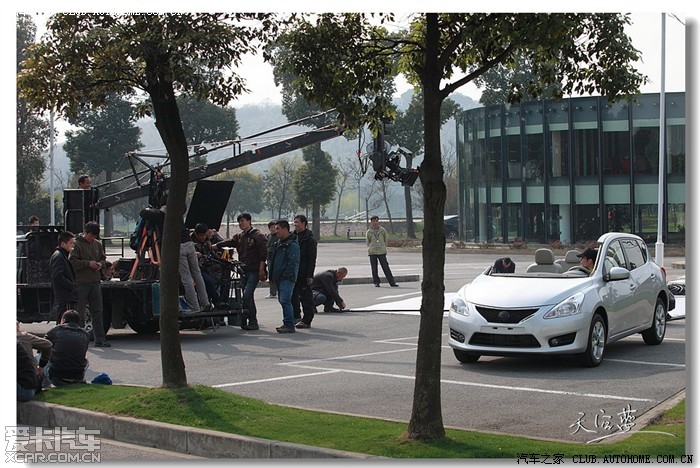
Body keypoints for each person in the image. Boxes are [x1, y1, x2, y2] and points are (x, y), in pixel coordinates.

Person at [213, 213, 268, 330]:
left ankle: (246, 318)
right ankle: (252, 321)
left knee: (247, 295)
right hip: (243, 270)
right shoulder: (239, 237)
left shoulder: (258, 236)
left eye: (243, 221)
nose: (241, 223)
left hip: (254, 270)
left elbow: (263, 255)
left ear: (249, 221)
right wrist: (215, 246)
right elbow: (228, 242)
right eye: (239, 221)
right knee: (248, 296)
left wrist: (261, 270)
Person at [70, 221, 110, 347]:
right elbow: (72, 262)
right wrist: (88, 264)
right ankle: (79, 340)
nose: (92, 238)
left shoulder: (97, 244)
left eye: (94, 236)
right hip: (81, 283)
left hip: (95, 282)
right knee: (80, 313)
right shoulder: (76, 244)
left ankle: (100, 339)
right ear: (85, 232)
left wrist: (100, 265)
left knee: (98, 312)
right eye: (91, 235)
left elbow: (103, 258)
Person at [268, 220, 300, 333]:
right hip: (278, 277)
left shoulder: (292, 245)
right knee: (283, 301)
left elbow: (293, 263)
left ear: (285, 229)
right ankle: (287, 322)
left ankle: (289, 324)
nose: (276, 231)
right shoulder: (278, 243)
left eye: (278, 229)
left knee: (285, 300)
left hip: (286, 278)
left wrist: (286, 275)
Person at [44, 310, 89, 387]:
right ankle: (76, 379)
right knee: (86, 360)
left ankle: (44, 386)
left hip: (57, 378)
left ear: (63, 320)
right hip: (77, 376)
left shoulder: (56, 330)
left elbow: (42, 346)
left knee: (40, 356)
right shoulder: (85, 334)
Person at [192, 222, 230, 309]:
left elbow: (212, 254)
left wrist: (224, 258)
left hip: (209, 267)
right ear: (196, 234)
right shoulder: (190, 244)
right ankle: (216, 301)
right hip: (197, 269)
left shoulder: (207, 242)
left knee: (224, 278)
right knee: (210, 282)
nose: (203, 237)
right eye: (201, 235)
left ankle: (223, 300)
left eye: (204, 235)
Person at [292, 215, 317, 329]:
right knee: (293, 296)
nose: (295, 224)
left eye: (297, 222)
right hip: (293, 271)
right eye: (294, 222)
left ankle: (307, 320)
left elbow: (312, 259)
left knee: (305, 297)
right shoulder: (292, 237)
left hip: (303, 272)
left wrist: (309, 275)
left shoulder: (309, 240)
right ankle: (296, 316)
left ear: (303, 223)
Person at [50, 230, 79, 325]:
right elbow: (57, 276)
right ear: (63, 243)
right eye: (71, 243)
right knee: (65, 322)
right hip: (64, 296)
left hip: (66, 295)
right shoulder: (58, 256)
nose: (73, 246)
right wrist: (72, 286)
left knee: (64, 321)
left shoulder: (62, 255)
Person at [366, 216, 398, 287]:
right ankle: (376, 282)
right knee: (374, 268)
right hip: (372, 252)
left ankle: (392, 282)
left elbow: (385, 240)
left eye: (376, 221)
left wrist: (383, 246)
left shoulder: (382, 230)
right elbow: (368, 242)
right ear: (371, 222)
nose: (375, 223)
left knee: (386, 267)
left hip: (381, 251)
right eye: (373, 221)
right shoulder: (369, 232)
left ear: (378, 221)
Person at [265, 221, 278, 299]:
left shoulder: (279, 236)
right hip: (270, 259)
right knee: (271, 276)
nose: (273, 229)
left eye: (274, 227)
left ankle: (278, 291)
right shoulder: (269, 236)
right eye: (271, 227)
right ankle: (272, 292)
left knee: (277, 275)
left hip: (277, 258)